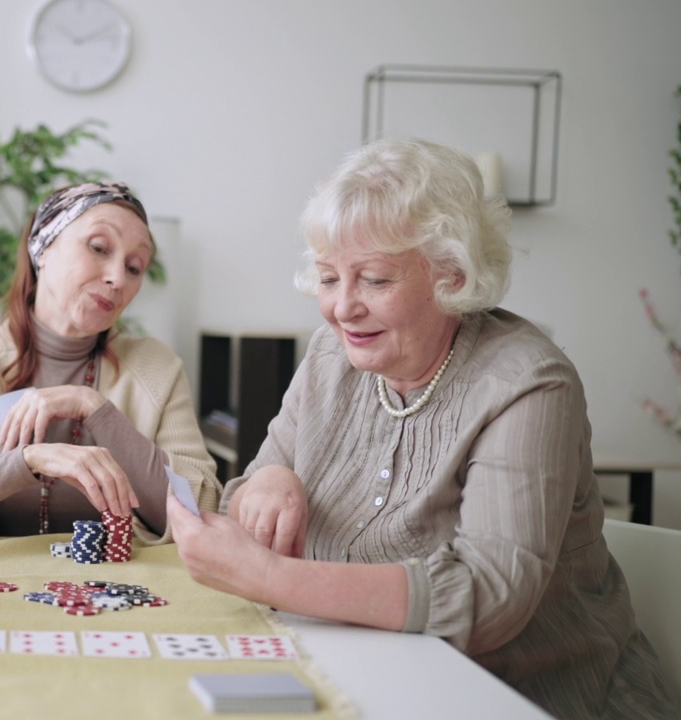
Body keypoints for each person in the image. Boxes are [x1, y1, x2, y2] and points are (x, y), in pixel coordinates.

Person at [166, 137, 678, 718]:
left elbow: (488, 596)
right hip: (361, 679)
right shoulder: (331, 358)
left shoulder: (528, 384)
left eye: (376, 281)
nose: (343, 308)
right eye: (330, 278)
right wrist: (268, 481)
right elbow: (252, 493)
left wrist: (272, 578)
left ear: (453, 276)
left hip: (528, 698)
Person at [0, 182, 221, 546]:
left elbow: (201, 507)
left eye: (135, 267)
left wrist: (95, 408)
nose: (118, 278)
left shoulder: (157, 367)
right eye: (99, 247)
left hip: (114, 594)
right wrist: (28, 462)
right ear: (42, 248)